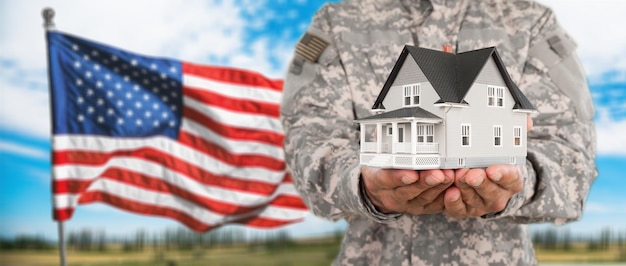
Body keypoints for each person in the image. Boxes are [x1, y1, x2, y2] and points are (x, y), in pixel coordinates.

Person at [280, 0, 597, 264]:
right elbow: (308, 136)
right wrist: (360, 182)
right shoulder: (338, 23)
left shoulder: (531, 23)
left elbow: (573, 158)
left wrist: (519, 182)